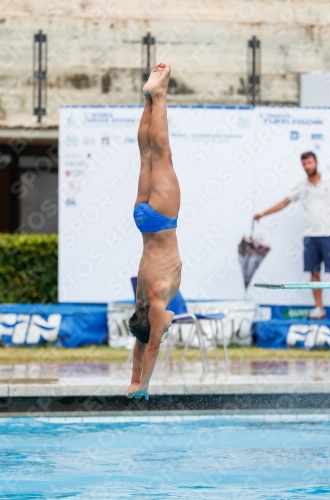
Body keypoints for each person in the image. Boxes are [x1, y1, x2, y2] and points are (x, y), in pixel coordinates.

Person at [125, 62, 182, 400]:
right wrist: (131, 381)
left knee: (162, 153)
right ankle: (148, 100)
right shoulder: (141, 299)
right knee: (145, 155)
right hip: (142, 219)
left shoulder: (157, 304)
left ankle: (158, 96)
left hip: (162, 218)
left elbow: (149, 349)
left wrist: (144, 385)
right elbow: (139, 343)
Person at [254, 151, 330, 319]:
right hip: (311, 236)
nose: (307, 166)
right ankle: (319, 309)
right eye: (304, 164)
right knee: (314, 273)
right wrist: (262, 213)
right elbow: (284, 203)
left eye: (309, 163)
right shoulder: (302, 186)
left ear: (316, 162)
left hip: (329, 234)